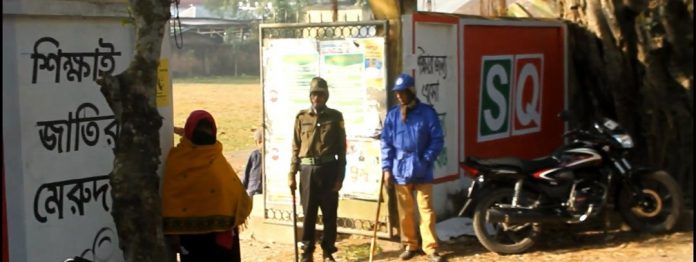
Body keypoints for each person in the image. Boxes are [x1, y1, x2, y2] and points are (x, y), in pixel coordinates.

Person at [163, 110, 252, 262]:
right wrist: (173, 234)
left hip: (220, 239)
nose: (205, 134)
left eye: (208, 130)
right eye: (201, 130)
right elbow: (171, 199)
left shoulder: (214, 156)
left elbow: (233, 192)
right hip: (193, 240)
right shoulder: (179, 159)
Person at [380, 73, 445, 262]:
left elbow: (437, 139)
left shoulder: (427, 113)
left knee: (426, 211)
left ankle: (431, 248)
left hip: (422, 168)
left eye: (402, 92)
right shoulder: (393, 115)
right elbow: (386, 143)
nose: (399, 96)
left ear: (411, 91)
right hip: (400, 169)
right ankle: (410, 244)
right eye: (397, 93)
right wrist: (386, 168)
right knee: (405, 212)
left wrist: (426, 159)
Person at [288, 76, 347, 262]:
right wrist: (291, 173)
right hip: (307, 172)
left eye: (320, 94)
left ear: (326, 96)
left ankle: (328, 250)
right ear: (310, 96)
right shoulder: (301, 117)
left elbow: (341, 150)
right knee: (308, 214)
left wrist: (340, 177)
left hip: (328, 169)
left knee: (330, 213)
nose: (317, 98)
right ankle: (307, 251)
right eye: (314, 94)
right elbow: (295, 147)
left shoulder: (335, 117)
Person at [243, 127, 263, 196]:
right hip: (252, 190)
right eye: (260, 142)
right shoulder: (254, 155)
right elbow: (246, 173)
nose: (261, 145)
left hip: (262, 190)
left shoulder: (271, 157)